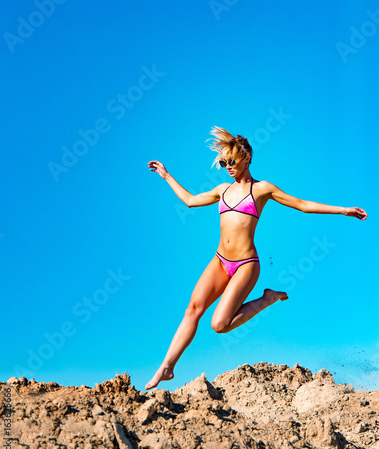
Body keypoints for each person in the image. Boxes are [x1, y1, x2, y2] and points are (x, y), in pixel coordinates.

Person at [145, 126, 368, 391]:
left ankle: (268, 298)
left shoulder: (262, 189)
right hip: (219, 261)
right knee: (192, 309)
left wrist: (343, 210)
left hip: (245, 266)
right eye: (225, 162)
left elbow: (302, 205)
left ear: (247, 158)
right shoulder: (221, 190)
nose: (228, 167)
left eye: (233, 162)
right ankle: (167, 367)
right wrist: (166, 175)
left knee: (219, 324)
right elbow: (191, 201)